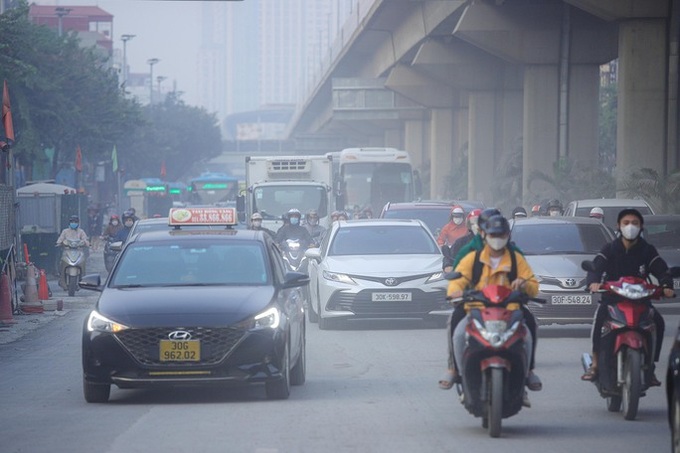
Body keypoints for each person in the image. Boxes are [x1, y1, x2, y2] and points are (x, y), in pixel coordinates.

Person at [439, 214, 541, 393]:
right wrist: (457, 292)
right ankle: (456, 370)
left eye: (501, 235)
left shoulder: (516, 258)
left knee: (530, 328)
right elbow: (458, 279)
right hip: (476, 308)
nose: (497, 240)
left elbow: (532, 283)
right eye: (493, 235)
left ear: (507, 235)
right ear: (485, 235)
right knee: (458, 333)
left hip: (510, 309)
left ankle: (529, 372)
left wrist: (524, 285)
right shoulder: (472, 257)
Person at [581, 208, 675, 384]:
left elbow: (662, 270)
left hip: (641, 301)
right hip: (612, 299)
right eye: (626, 223)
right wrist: (592, 283)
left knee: (659, 323)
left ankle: (651, 367)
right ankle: (595, 364)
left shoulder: (647, 250)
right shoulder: (609, 249)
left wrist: (666, 286)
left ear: (641, 227)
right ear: (618, 226)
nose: (630, 226)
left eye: (635, 223)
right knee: (599, 321)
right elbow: (596, 268)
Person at [55, 215, 90, 289]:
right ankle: (62, 280)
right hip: (67, 251)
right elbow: (60, 239)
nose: (74, 223)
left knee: (83, 262)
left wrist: (87, 243)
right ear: (69, 223)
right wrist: (59, 243)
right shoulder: (65, 231)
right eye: (72, 222)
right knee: (61, 263)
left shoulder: (81, 231)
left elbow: (85, 239)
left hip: (79, 251)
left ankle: (83, 279)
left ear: (78, 223)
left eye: (75, 222)